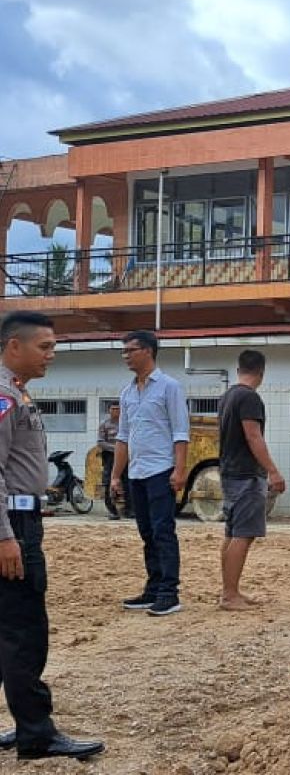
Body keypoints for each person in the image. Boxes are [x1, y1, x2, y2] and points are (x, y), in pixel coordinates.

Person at [0, 311, 105, 761]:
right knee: (25, 631)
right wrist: (5, 537)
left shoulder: (15, 393)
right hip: (12, 525)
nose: (52, 355)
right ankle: (37, 735)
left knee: (7, 631)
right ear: (13, 347)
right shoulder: (4, 395)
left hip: (18, 521)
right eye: (44, 347)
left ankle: (25, 723)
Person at [110, 330, 189, 617]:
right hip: (137, 472)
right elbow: (123, 436)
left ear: (148, 351)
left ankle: (169, 592)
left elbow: (180, 431)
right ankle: (153, 588)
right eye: (124, 351)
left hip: (161, 470)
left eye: (130, 350)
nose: (126, 356)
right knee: (146, 532)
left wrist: (180, 470)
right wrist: (116, 475)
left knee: (163, 531)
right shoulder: (128, 392)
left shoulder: (169, 387)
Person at [216, 350, 285, 611]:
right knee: (244, 535)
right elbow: (253, 436)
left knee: (232, 533)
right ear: (261, 372)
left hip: (230, 473)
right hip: (246, 475)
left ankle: (229, 590)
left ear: (238, 370)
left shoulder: (228, 396)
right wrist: (273, 471)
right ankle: (230, 595)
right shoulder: (249, 398)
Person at [97, 404, 125, 520]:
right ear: (109, 410)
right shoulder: (104, 424)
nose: (115, 411)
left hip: (125, 456)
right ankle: (112, 510)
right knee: (108, 482)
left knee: (128, 481)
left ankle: (130, 510)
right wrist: (116, 448)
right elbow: (100, 441)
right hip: (109, 456)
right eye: (113, 409)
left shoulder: (125, 424)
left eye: (118, 409)